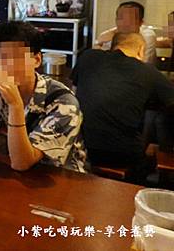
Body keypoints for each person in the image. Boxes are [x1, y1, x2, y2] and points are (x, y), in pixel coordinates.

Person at [0, 21, 87, 173]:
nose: (10, 66)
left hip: (63, 176)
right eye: (3, 59)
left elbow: (21, 163)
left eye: (18, 58)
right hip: (21, 172)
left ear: (37, 60)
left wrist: (15, 105)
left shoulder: (64, 103)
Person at [72, 33, 174, 181]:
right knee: (150, 153)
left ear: (112, 47)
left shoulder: (88, 57)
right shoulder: (147, 71)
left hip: (79, 144)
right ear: (141, 50)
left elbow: (75, 93)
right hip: (120, 155)